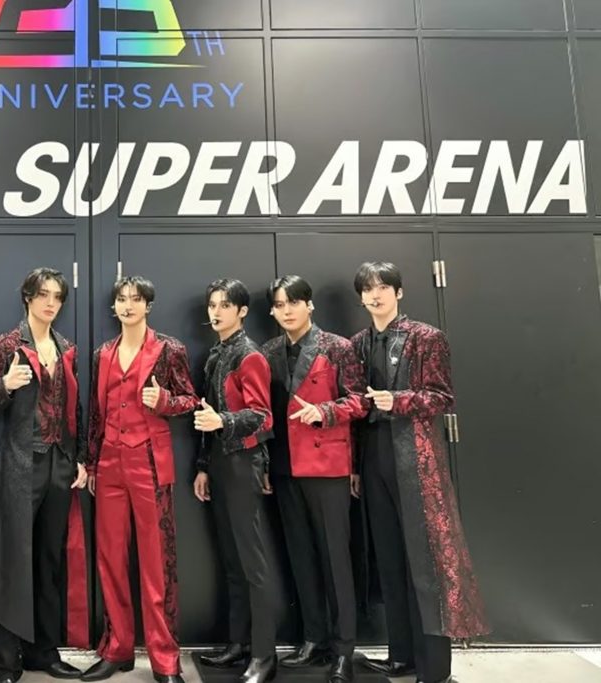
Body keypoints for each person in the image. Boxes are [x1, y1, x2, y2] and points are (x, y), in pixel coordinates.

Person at [351, 262, 489, 683]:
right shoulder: (358, 343)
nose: (375, 295)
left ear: (399, 292)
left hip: (416, 459)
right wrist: (355, 466)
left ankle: (434, 669)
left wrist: (399, 400)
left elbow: (442, 396)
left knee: (425, 563)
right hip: (373, 456)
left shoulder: (426, 336)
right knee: (388, 558)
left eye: (383, 287)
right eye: (368, 289)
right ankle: (401, 657)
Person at [0, 267, 89, 683]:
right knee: (11, 562)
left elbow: (74, 408)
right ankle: (3, 662)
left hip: (60, 464)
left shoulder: (66, 347)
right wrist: (6, 385)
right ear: (28, 297)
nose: (51, 303)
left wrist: (80, 457)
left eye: (57, 296)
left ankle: (43, 653)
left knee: (49, 561)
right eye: (43, 294)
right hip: (19, 464)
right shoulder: (4, 345)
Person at [82, 276, 198, 683]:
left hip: (149, 460)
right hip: (109, 462)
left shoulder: (169, 349)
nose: (128, 305)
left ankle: (165, 659)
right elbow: (95, 412)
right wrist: (91, 463)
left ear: (148, 305)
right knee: (110, 558)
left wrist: (164, 401)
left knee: (157, 564)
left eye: (136, 299)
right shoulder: (103, 353)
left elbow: (190, 400)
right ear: (114, 306)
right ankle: (117, 648)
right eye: (122, 299)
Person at [260, 275, 367, 683]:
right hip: (286, 467)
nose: (286, 310)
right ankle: (313, 638)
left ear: (310, 305)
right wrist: (266, 466)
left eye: (293, 302)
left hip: (327, 467)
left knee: (336, 560)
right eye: (279, 304)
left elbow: (359, 401)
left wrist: (325, 411)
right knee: (301, 557)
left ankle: (343, 650)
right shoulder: (270, 351)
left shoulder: (337, 347)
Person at [192, 279, 278, 683]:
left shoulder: (250, 355)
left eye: (225, 305)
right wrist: (203, 465)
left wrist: (222, 421)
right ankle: (239, 643)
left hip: (244, 463)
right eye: (212, 305)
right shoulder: (217, 353)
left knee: (252, 563)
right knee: (232, 560)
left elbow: (263, 417)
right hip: (221, 464)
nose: (216, 311)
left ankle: (264, 655)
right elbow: (206, 417)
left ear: (242, 311)